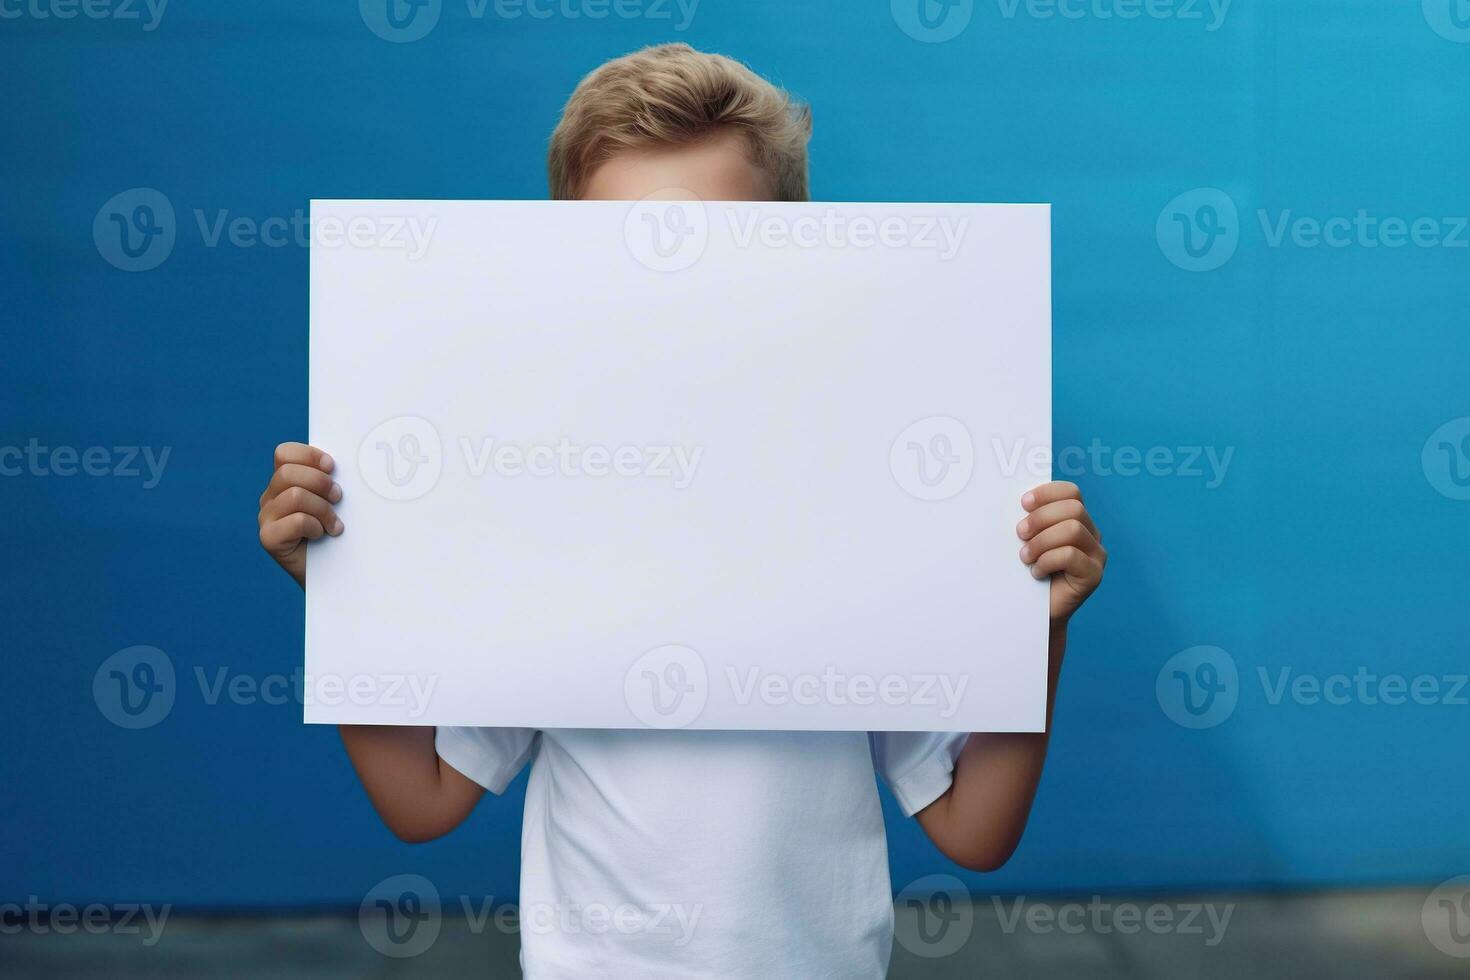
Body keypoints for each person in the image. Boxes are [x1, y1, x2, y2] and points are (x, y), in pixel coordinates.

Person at [257, 42, 1106, 979]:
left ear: (804, 252)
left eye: (723, 256)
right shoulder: (535, 526)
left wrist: (1036, 629)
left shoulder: (865, 524)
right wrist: (344, 592)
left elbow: (974, 833)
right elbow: (420, 805)